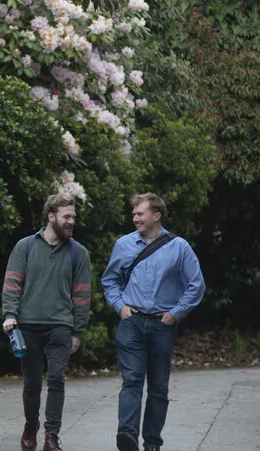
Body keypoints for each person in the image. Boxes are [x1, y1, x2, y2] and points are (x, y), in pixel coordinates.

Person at [100, 192, 205, 451]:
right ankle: (127, 437)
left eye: (140, 213)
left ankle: (152, 443)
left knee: (158, 387)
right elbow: (109, 281)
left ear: (156, 216)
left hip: (162, 326)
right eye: (134, 213)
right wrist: (120, 306)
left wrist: (176, 313)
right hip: (131, 322)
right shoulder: (123, 244)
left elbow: (196, 285)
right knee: (132, 381)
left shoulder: (179, 247)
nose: (134, 218)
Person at [1, 193, 92, 451]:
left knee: (57, 381)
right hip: (27, 325)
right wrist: (10, 314)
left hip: (60, 327)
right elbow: (11, 284)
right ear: (51, 217)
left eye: (73, 216)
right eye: (67, 216)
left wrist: (77, 331)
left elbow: (82, 295)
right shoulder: (26, 246)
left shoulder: (78, 253)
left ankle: (52, 437)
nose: (71, 221)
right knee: (32, 384)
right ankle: (31, 425)